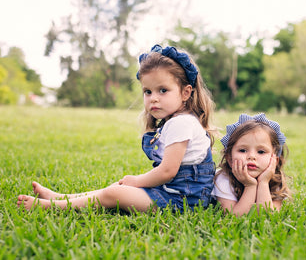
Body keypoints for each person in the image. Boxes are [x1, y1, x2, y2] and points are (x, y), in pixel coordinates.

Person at [17, 44, 216, 213]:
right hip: (172, 192)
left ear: (185, 92)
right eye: (148, 91)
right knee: (118, 188)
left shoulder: (182, 123)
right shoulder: (175, 122)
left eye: (163, 90)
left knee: (116, 193)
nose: (153, 97)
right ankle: (61, 198)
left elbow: (167, 171)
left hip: (185, 201)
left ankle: (53, 206)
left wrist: (137, 181)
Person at [212, 113, 291, 216]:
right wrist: (250, 186)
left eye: (261, 152)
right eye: (243, 150)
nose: (251, 156)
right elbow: (234, 216)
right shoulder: (223, 179)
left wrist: (263, 183)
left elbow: (267, 215)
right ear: (230, 159)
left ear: (274, 160)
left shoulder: (275, 181)